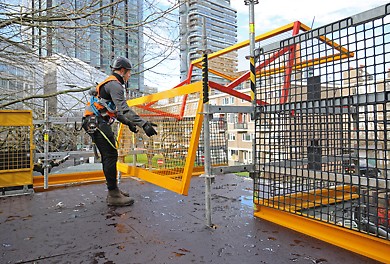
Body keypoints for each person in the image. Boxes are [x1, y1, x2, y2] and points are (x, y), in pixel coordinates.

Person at [82, 56, 157, 207]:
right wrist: (144, 124)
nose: (129, 76)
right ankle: (113, 194)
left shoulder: (110, 84)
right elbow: (124, 109)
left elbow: (115, 112)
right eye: (129, 73)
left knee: (109, 155)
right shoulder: (115, 85)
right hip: (96, 122)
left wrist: (129, 123)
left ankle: (114, 190)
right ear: (122, 71)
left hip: (95, 122)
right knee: (110, 155)